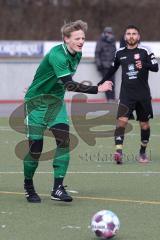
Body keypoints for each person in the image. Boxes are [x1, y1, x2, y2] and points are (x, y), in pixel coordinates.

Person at [23, 20, 112, 203]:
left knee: (64, 140)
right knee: (35, 150)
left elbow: (57, 80)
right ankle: (28, 186)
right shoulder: (58, 55)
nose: (81, 41)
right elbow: (69, 84)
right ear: (66, 39)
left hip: (56, 102)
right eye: (77, 38)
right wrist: (98, 89)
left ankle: (57, 188)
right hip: (36, 103)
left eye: (83, 38)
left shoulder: (76, 55)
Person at [98, 25, 159, 164]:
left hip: (143, 95)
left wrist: (144, 64)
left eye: (134, 33)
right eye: (129, 34)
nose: (131, 36)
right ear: (125, 36)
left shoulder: (145, 51)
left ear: (138, 36)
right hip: (126, 95)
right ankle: (118, 152)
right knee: (121, 121)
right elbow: (112, 69)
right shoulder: (119, 53)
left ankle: (142, 153)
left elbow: (156, 67)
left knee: (144, 125)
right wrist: (100, 83)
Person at [95, 27, 116, 101]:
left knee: (113, 83)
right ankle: (109, 99)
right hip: (104, 66)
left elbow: (115, 53)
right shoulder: (100, 41)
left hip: (112, 66)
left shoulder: (113, 41)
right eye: (107, 32)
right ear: (104, 33)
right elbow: (97, 54)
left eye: (110, 33)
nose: (108, 34)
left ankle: (112, 99)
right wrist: (99, 64)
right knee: (106, 83)